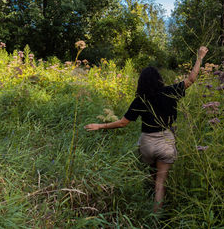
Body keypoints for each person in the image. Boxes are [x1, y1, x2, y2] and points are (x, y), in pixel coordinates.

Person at [84, 46, 208, 212]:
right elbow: (191, 79)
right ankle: (156, 218)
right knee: (160, 184)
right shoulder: (170, 91)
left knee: (151, 175)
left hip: (147, 144)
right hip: (166, 141)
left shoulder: (140, 100)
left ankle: (148, 203)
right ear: (159, 79)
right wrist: (199, 57)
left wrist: (99, 125)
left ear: (141, 82)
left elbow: (122, 123)